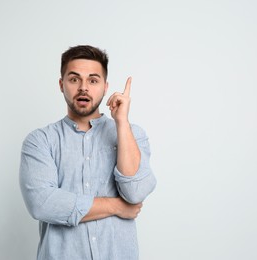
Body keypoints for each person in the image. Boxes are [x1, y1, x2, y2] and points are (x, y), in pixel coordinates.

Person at [19, 45, 157, 260]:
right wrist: (117, 206)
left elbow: (136, 192)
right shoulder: (40, 141)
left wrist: (122, 123)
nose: (83, 87)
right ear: (61, 84)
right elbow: (42, 203)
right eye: (74, 79)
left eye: (93, 80)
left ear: (105, 87)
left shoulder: (131, 134)